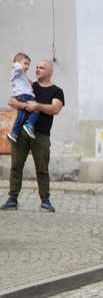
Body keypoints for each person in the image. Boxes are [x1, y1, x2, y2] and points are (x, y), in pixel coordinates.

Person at [2, 59, 64, 212]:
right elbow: (11, 101)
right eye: (36, 67)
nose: (37, 69)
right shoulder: (30, 86)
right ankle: (12, 199)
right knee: (16, 166)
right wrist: (25, 105)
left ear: (50, 71)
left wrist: (37, 106)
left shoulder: (56, 91)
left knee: (42, 169)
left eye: (41, 68)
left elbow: (55, 109)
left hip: (41, 135)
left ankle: (45, 200)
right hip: (21, 133)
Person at [7, 52, 39, 142]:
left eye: (28, 64)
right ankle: (29, 124)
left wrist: (30, 83)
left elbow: (25, 81)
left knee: (20, 116)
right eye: (25, 63)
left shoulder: (21, 74)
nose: (27, 66)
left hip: (21, 95)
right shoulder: (17, 69)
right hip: (25, 95)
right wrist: (18, 63)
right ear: (18, 63)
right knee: (36, 108)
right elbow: (16, 66)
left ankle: (14, 133)